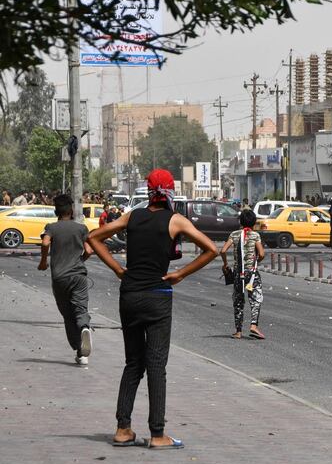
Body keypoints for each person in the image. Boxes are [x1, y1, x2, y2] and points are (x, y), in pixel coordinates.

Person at [87, 169, 218, 449]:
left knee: (133, 363)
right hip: (158, 296)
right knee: (156, 365)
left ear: (148, 191)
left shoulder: (132, 216)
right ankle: (157, 434)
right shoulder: (175, 220)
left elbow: (94, 237)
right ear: (170, 192)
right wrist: (180, 274)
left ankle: (123, 429)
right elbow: (211, 249)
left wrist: (118, 269)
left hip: (130, 295)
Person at [37, 195, 93, 366]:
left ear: (56, 211)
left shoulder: (51, 227)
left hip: (60, 277)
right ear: (71, 211)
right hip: (79, 276)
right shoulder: (81, 228)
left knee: (68, 314)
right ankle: (84, 328)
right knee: (80, 308)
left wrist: (43, 261)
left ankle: (79, 350)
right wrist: (81, 261)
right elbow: (89, 250)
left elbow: (45, 243)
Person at [220, 209, 266, 340]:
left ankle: (238, 331)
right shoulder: (255, 235)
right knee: (255, 298)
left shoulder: (234, 235)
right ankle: (253, 325)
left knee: (238, 300)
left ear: (240, 221)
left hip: (238, 274)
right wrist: (256, 261)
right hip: (252, 274)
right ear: (254, 222)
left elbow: (223, 250)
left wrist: (225, 264)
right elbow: (261, 254)